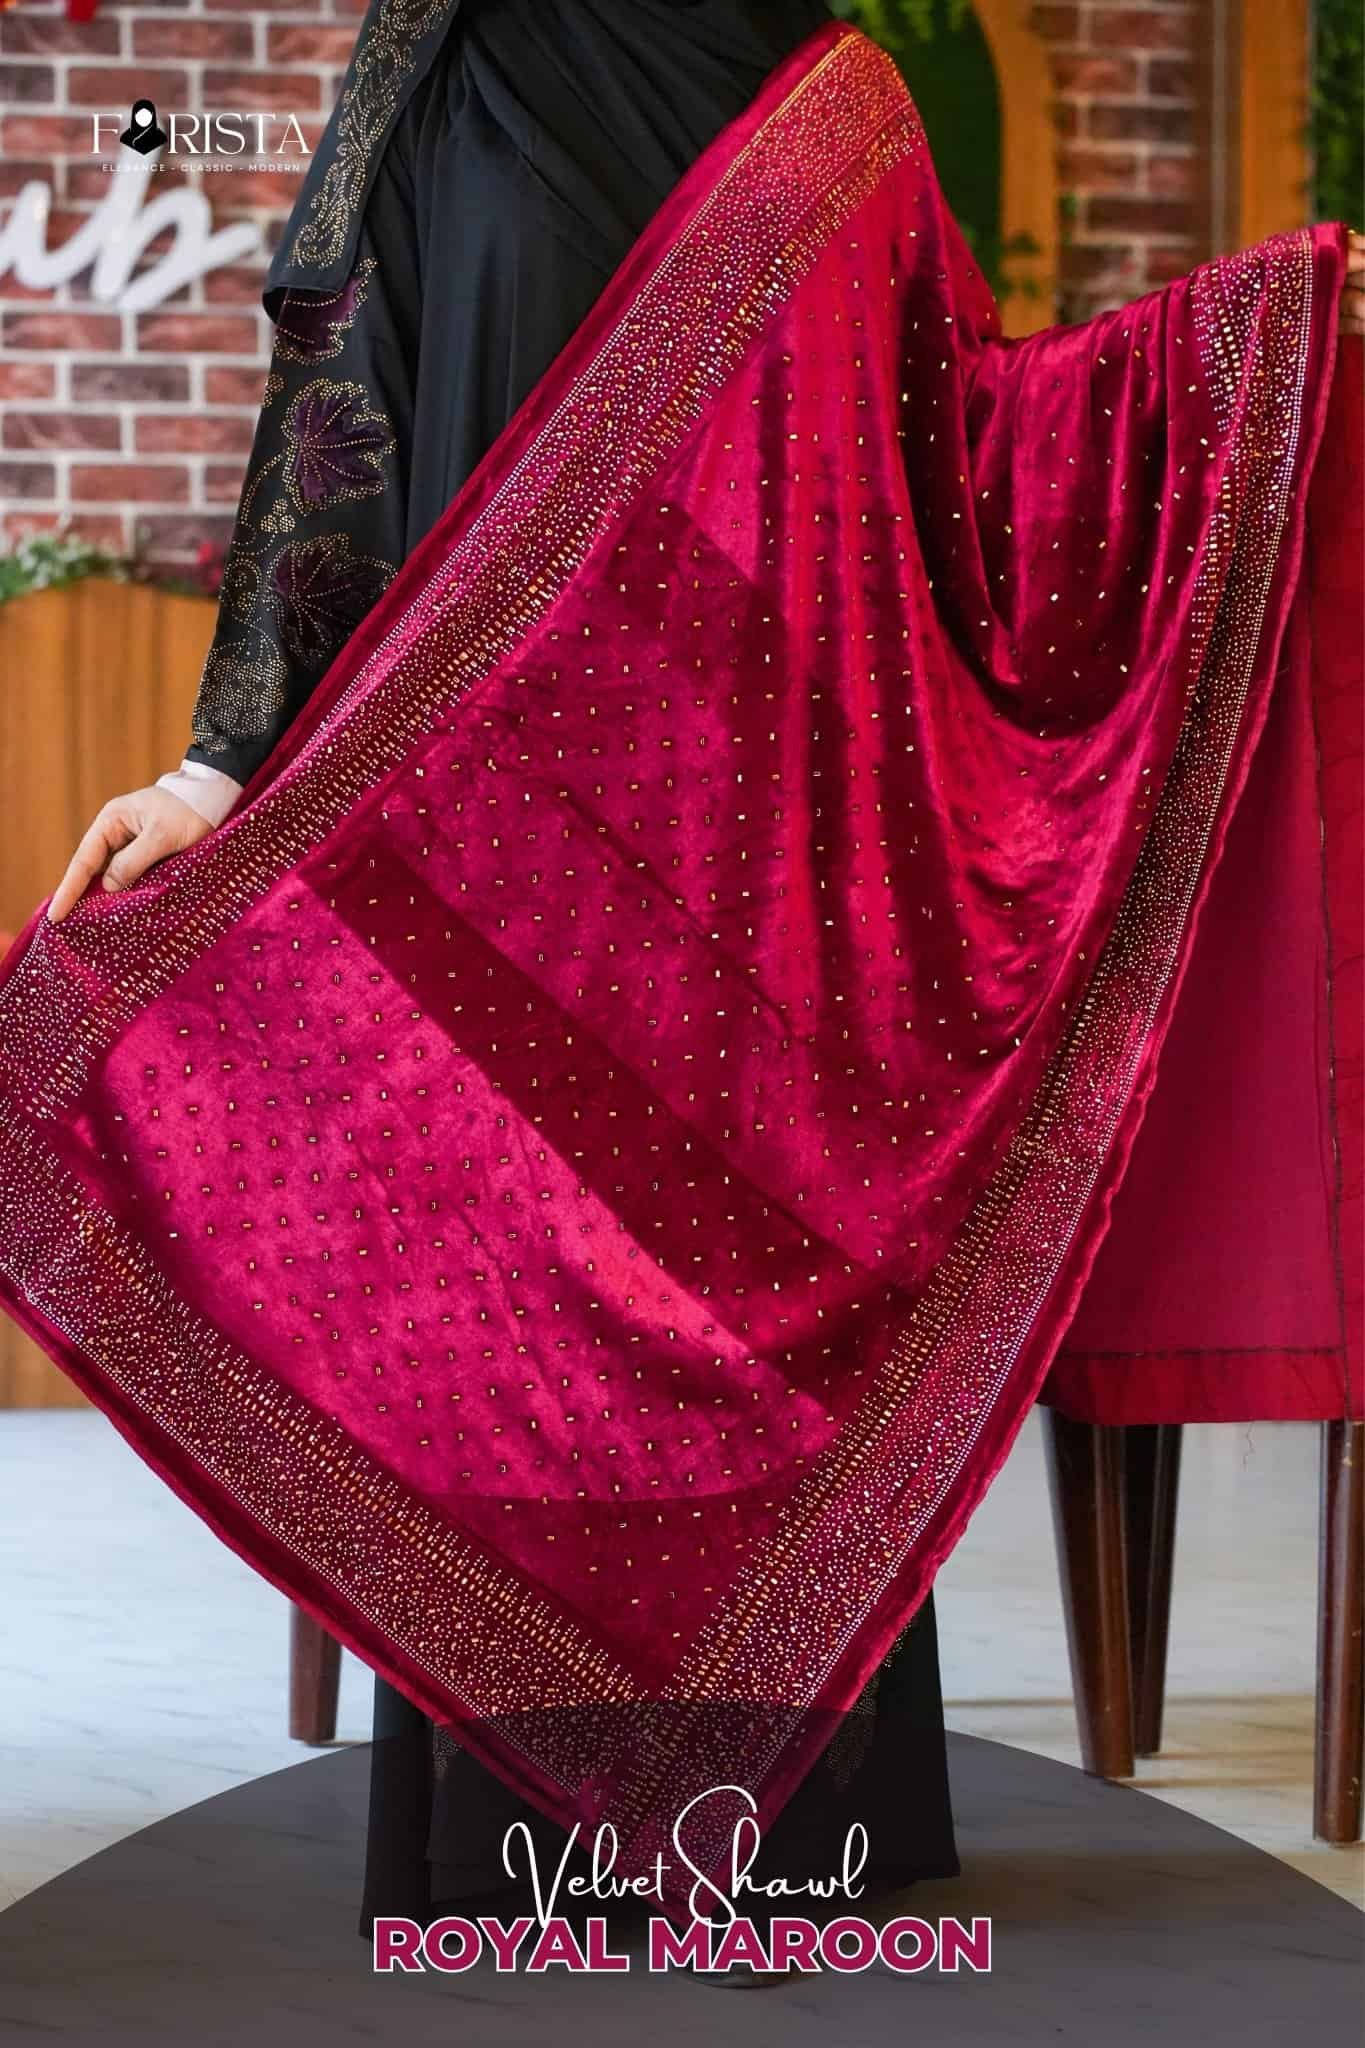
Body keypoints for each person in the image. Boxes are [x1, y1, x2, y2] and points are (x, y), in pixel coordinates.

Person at [25, 0, 1361, 1979]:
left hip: (767, 870)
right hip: (496, 848)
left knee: (744, 1305)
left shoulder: (833, 94)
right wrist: (219, 767)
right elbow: (341, 409)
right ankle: (531, 1831)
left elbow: (969, 452)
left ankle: (787, 1825)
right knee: (518, 1312)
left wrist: (1255, 327)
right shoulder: (453, 56)